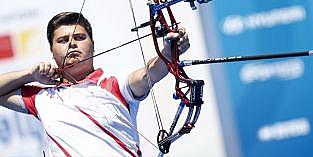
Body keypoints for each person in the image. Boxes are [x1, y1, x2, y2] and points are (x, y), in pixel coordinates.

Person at [0, 12, 190, 157]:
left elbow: (150, 72)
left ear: (93, 44)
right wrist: (29, 75)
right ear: (52, 50)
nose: (72, 44)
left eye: (79, 38)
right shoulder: (41, 98)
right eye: (63, 40)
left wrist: (168, 52)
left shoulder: (114, 83)